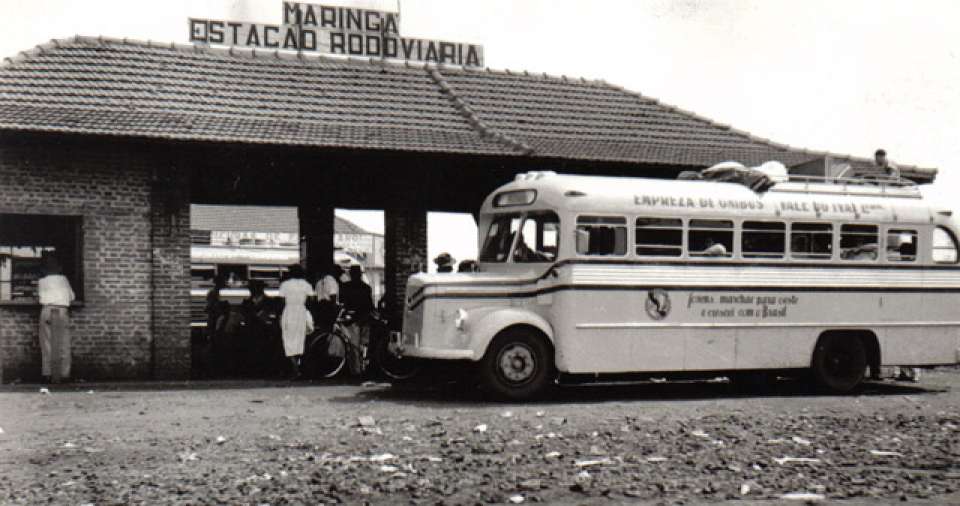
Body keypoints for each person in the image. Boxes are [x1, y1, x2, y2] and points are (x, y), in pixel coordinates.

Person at [37, 257, 75, 383]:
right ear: (59, 268)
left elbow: (40, 298)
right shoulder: (64, 279)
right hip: (62, 310)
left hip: (47, 310)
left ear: (45, 270)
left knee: (47, 343)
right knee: (64, 343)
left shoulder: (42, 281)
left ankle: (48, 373)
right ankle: (64, 374)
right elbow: (72, 297)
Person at [278, 264, 314, 380]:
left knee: (288, 342)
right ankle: (301, 369)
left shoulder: (285, 285)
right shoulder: (306, 285)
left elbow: (281, 301)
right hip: (301, 313)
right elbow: (311, 300)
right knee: (301, 341)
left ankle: (295, 370)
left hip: (289, 312)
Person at [340, 265, 374, 375]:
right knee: (364, 344)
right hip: (365, 317)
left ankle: (356, 370)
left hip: (352, 319)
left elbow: (343, 303)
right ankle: (364, 367)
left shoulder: (346, 287)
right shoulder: (366, 287)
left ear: (350, 274)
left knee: (353, 345)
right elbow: (370, 305)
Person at [314, 263, 342, 333]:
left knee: (322, 330)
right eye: (339, 273)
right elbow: (333, 297)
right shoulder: (332, 281)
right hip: (328, 309)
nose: (340, 276)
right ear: (335, 272)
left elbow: (315, 297)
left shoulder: (319, 282)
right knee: (330, 331)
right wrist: (335, 311)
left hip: (319, 309)